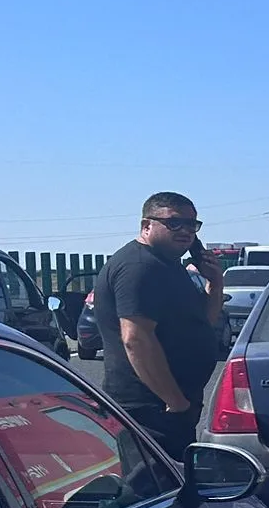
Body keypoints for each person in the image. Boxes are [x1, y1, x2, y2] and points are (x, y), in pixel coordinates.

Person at [92, 192, 226, 460]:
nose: (185, 231)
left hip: (170, 407)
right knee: (153, 482)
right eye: (174, 223)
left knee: (176, 479)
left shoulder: (167, 266)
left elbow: (203, 322)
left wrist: (215, 282)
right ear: (146, 225)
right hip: (148, 409)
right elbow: (136, 339)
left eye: (192, 224)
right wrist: (175, 402)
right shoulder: (140, 266)